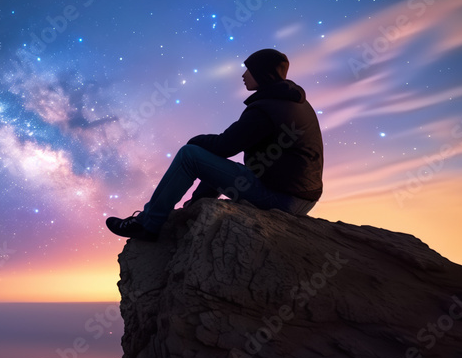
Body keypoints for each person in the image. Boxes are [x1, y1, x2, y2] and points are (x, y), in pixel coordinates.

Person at [106, 49, 323, 241]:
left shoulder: (266, 110)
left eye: (248, 69)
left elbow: (224, 146)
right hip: (299, 196)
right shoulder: (291, 101)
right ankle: (198, 202)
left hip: (283, 199)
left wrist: (194, 141)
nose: (243, 75)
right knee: (214, 161)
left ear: (262, 73)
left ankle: (148, 225)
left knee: (190, 155)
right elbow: (227, 149)